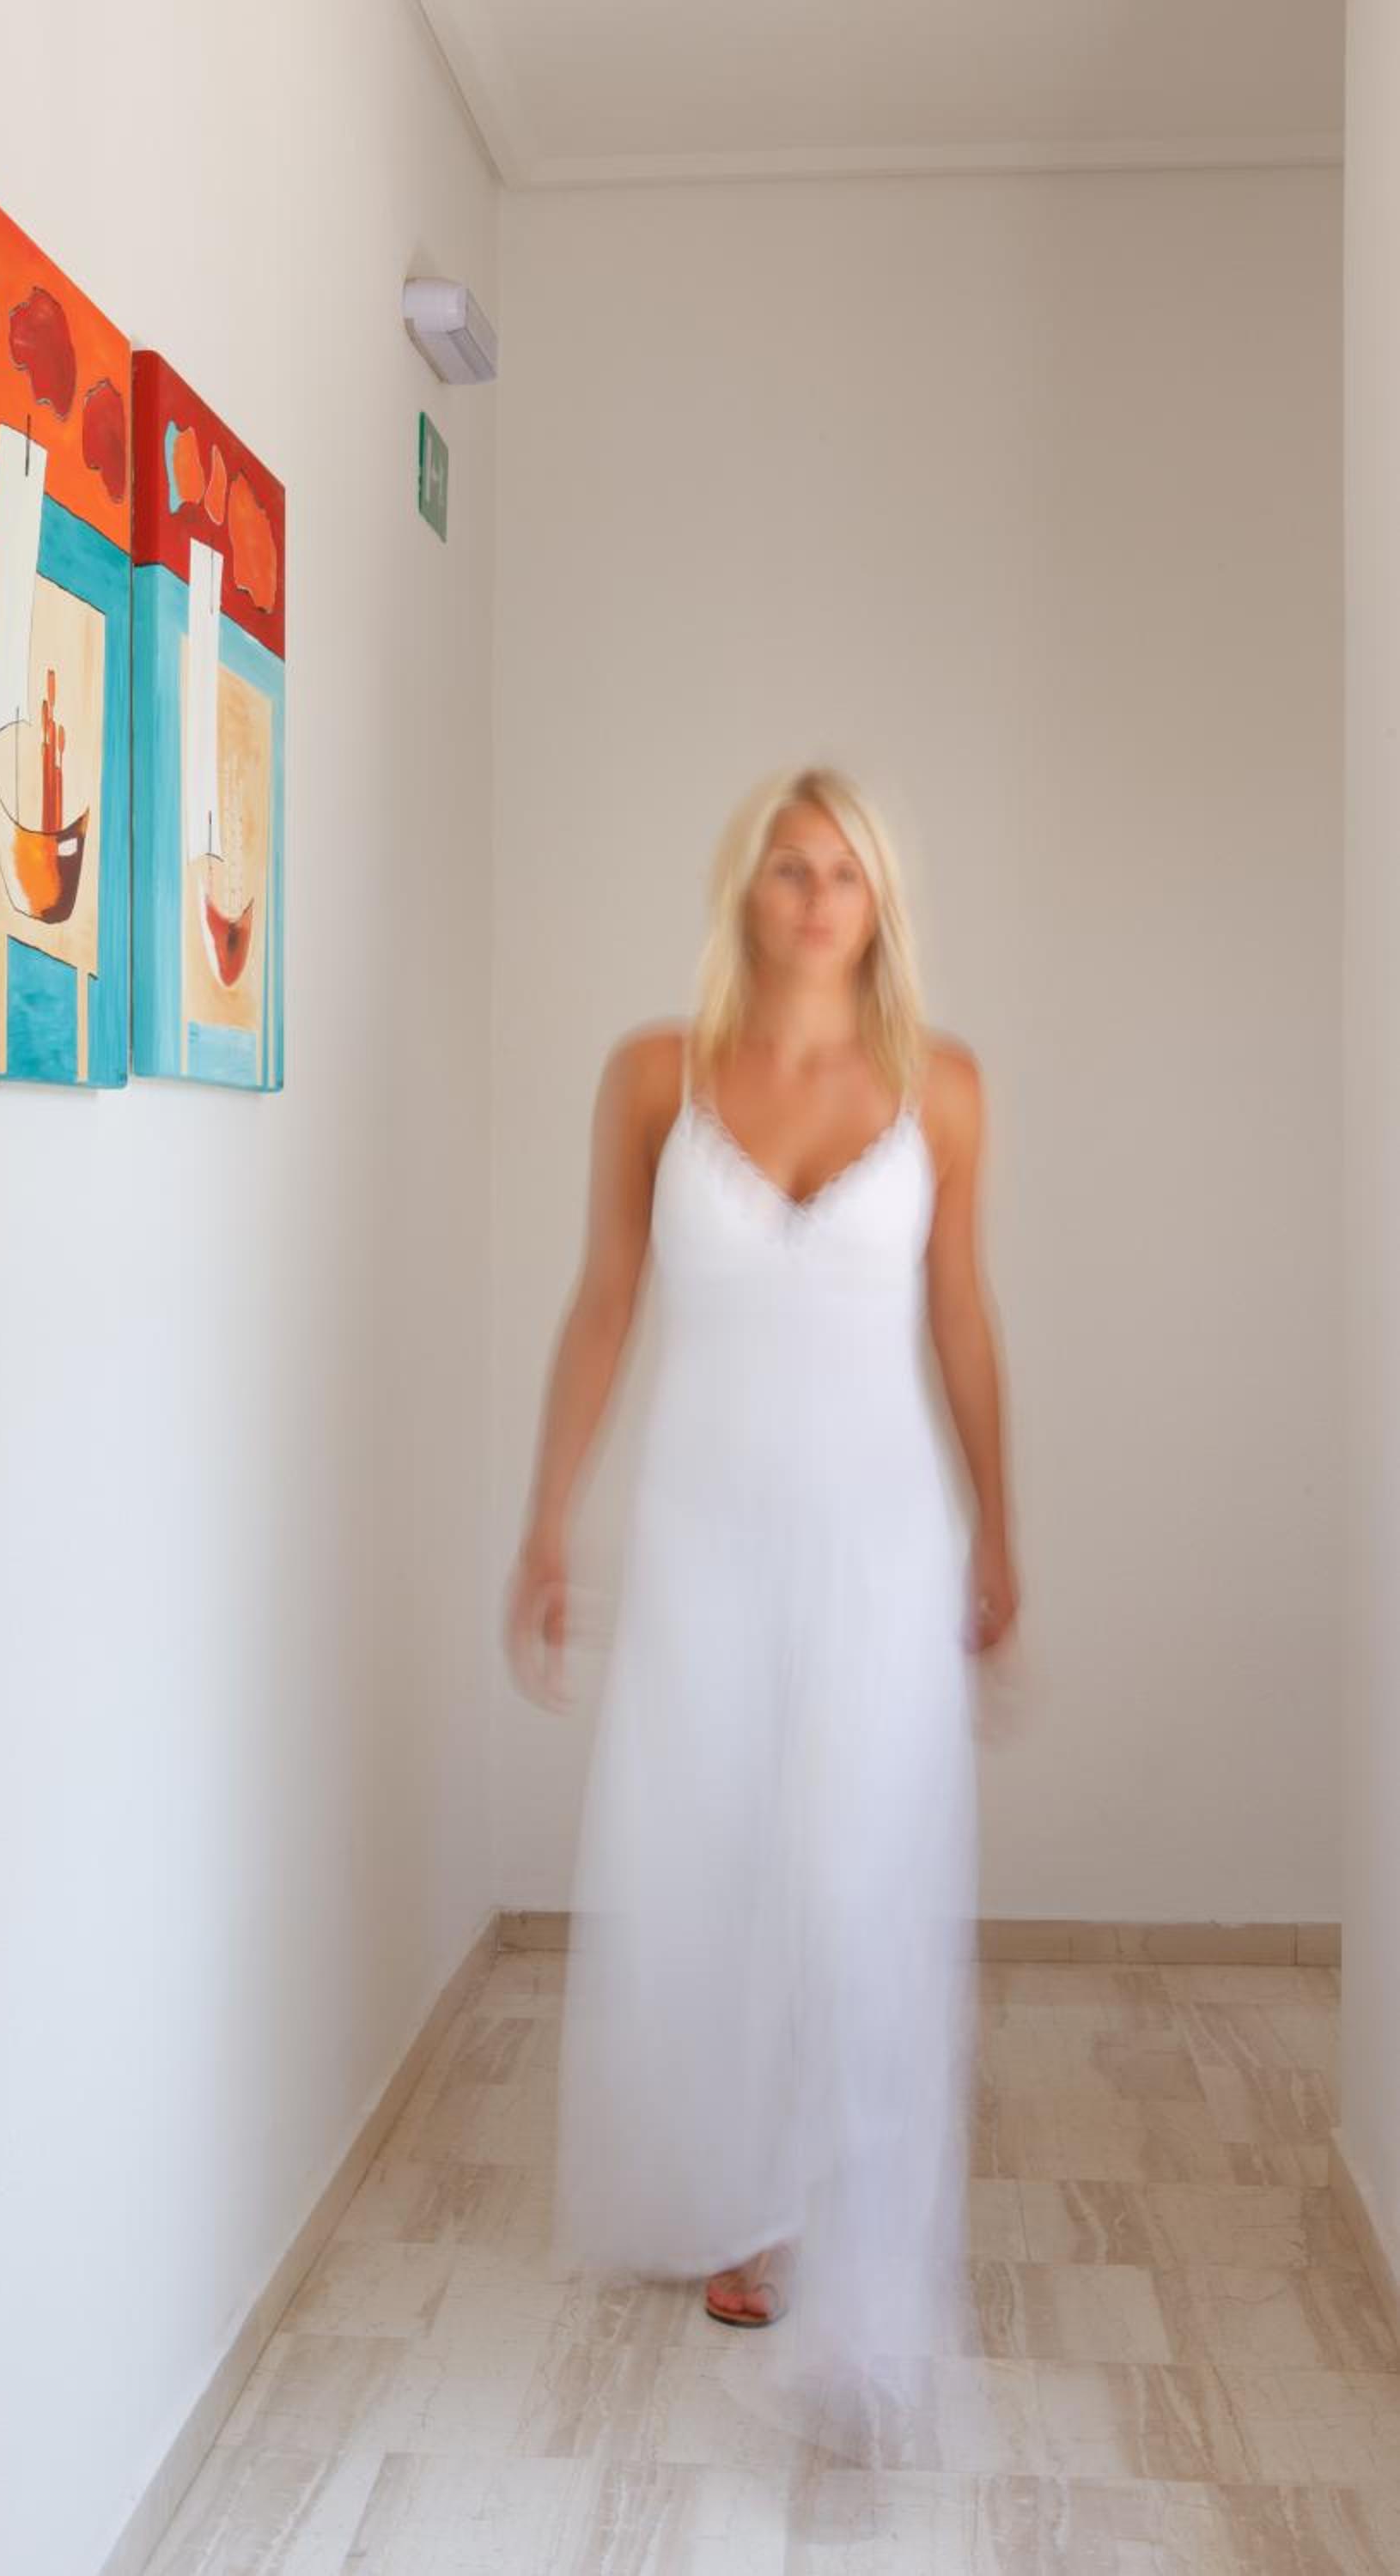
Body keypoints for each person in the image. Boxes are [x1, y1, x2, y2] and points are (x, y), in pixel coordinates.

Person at [502, 762, 1021, 2434]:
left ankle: (838, 2217)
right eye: (789, 868)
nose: (814, 899)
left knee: (856, 1865)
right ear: (746, 889)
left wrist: (998, 1528)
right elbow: (605, 1299)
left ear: (880, 906)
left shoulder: (941, 1089)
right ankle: (740, 2190)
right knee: (714, 1853)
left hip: (881, 1540)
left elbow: (959, 1318)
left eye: (843, 874)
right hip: (704, 1532)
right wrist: (547, 1518)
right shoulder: (653, 1076)